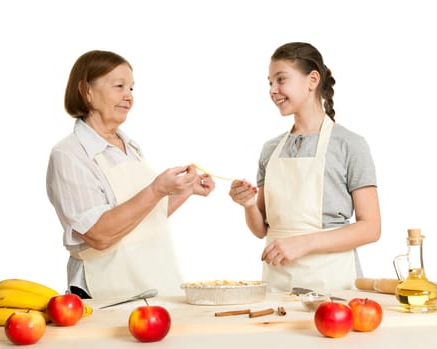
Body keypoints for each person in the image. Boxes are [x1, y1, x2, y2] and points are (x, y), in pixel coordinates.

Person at [46, 50, 215, 300]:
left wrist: (185, 190)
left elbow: (144, 218)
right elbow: (99, 235)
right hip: (108, 291)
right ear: (86, 90)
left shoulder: (129, 147)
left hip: (155, 279)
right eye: (119, 86)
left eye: (132, 89)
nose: (128, 97)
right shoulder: (69, 154)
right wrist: (157, 189)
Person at [229, 42, 381, 292]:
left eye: (281, 80)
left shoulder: (350, 145)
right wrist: (247, 205)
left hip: (333, 283)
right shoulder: (271, 149)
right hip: (278, 283)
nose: (273, 90)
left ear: (312, 80)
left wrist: (303, 244)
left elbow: (371, 228)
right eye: (270, 83)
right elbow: (261, 229)